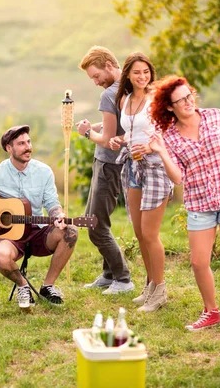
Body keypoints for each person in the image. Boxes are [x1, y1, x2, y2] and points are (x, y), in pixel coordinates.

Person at [147, 75, 220, 335]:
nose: (188, 102)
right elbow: (178, 177)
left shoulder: (215, 116)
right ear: (169, 107)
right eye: (180, 100)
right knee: (198, 262)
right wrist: (161, 151)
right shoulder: (169, 137)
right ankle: (211, 312)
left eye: (189, 96)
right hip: (199, 201)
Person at [0, 125, 78, 306]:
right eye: (21, 144)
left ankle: (48, 286)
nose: (28, 147)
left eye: (28, 142)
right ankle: (23, 286)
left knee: (70, 231)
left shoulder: (44, 171)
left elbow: (51, 203)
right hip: (9, 236)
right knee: (0, 257)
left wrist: (58, 215)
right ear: (9, 148)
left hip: (38, 231)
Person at [108, 52, 173, 312]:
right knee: (138, 232)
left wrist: (149, 147)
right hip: (132, 166)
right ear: (128, 74)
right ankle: (150, 284)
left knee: (150, 233)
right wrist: (119, 140)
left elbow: (168, 131)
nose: (142, 76)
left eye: (146, 72)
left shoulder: (156, 98)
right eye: (137, 72)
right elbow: (132, 131)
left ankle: (161, 290)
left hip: (156, 167)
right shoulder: (124, 99)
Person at [76, 45, 134, 295]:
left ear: (109, 66)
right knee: (96, 218)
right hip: (117, 163)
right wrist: (99, 124)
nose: (95, 82)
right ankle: (109, 274)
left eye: (96, 75)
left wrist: (87, 132)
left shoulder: (108, 94)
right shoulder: (129, 87)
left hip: (109, 164)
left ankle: (122, 278)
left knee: (95, 225)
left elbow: (108, 137)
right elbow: (121, 125)